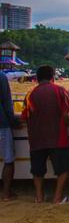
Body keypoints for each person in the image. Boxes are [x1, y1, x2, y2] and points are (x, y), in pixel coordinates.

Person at [21, 66, 69, 204]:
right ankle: (57, 197)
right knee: (63, 168)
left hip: (36, 138)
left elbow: (24, 116)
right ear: (53, 78)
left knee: (37, 170)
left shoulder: (30, 94)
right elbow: (66, 114)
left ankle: (39, 197)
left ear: (36, 79)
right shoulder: (60, 91)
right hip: (58, 136)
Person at [0, 71, 21, 201]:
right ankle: (6, 193)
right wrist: (13, 122)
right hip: (2, 123)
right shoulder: (1, 77)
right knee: (8, 160)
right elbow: (7, 103)